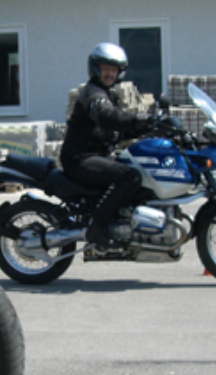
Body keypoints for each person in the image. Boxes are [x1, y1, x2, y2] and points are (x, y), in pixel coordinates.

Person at [60, 42, 153, 248]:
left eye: (114, 69)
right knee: (130, 177)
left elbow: (118, 130)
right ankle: (97, 228)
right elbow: (107, 117)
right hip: (80, 159)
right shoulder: (93, 93)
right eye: (106, 68)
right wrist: (139, 118)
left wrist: (150, 127)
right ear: (96, 68)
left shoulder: (108, 94)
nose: (110, 73)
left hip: (97, 156)